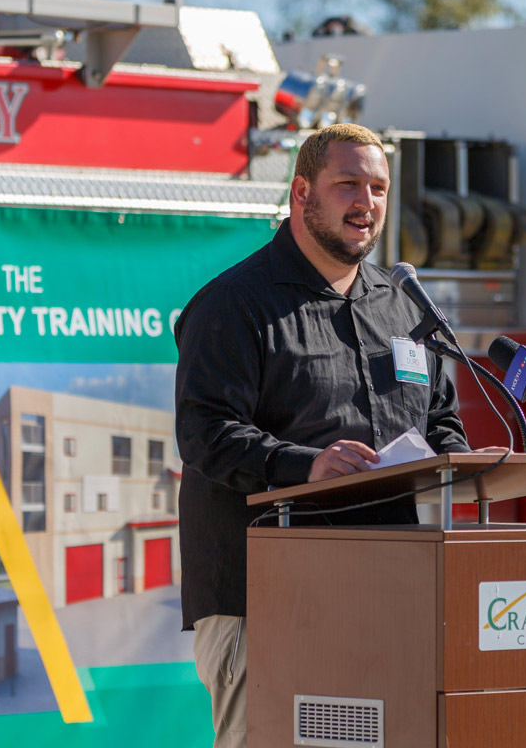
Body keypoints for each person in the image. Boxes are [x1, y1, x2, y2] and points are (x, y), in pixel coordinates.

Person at [173, 123, 474, 747]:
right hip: (263, 595)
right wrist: (306, 465)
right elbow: (205, 433)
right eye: (348, 185)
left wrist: (462, 462)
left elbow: (440, 419)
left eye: (379, 187)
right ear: (301, 192)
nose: (366, 202)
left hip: (389, 587)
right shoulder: (234, 303)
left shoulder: (403, 305)